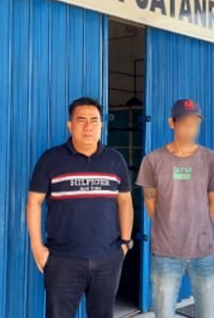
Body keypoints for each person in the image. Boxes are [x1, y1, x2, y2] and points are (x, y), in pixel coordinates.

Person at [26, 97, 134, 318]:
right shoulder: (51, 159)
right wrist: (37, 248)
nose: (88, 126)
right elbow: (34, 202)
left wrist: (125, 244)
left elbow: (125, 201)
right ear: (70, 125)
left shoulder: (115, 160)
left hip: (107, 260)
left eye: (94, 120)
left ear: (101, 125)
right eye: (81, 120)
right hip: (62, 261)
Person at [137, 99, 214, 318]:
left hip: (203, 252)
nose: (190, 129)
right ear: (172, 123)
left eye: (195, 124)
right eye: (185, 123)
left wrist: (201, 226)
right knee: (164, 313)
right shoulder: (153, 160)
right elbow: (150, 200)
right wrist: (168, 224)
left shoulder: (210, 159)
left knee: (207, 313)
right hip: (165, 254)